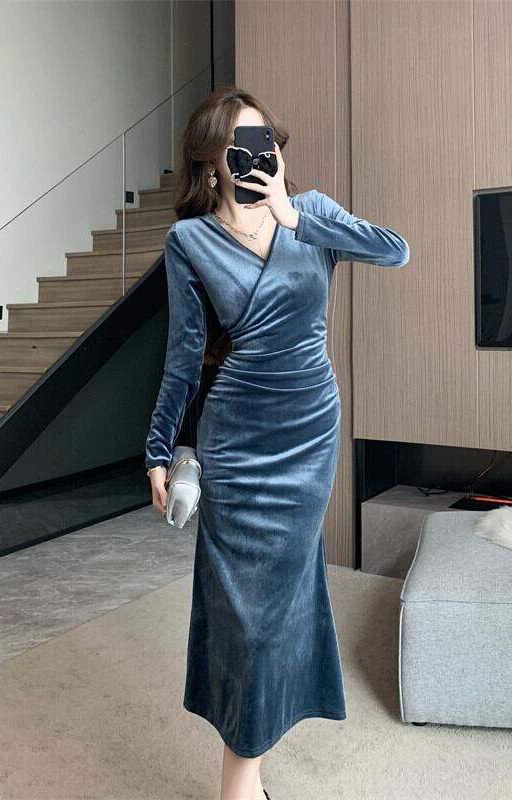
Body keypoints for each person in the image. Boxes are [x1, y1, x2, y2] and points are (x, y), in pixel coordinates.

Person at [145, 85, 410, 800]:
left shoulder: (312, 212)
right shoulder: (189, 241)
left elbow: (396, 252)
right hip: (237, 439)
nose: (255, 155)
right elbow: (183, 357)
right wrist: (159, 448)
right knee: (244, 616)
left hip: (308, 436)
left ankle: (245, 774)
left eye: (264, 140)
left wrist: (295, 216)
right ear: (212, 160)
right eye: (239, 144)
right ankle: (242, 783)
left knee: (280, 604)